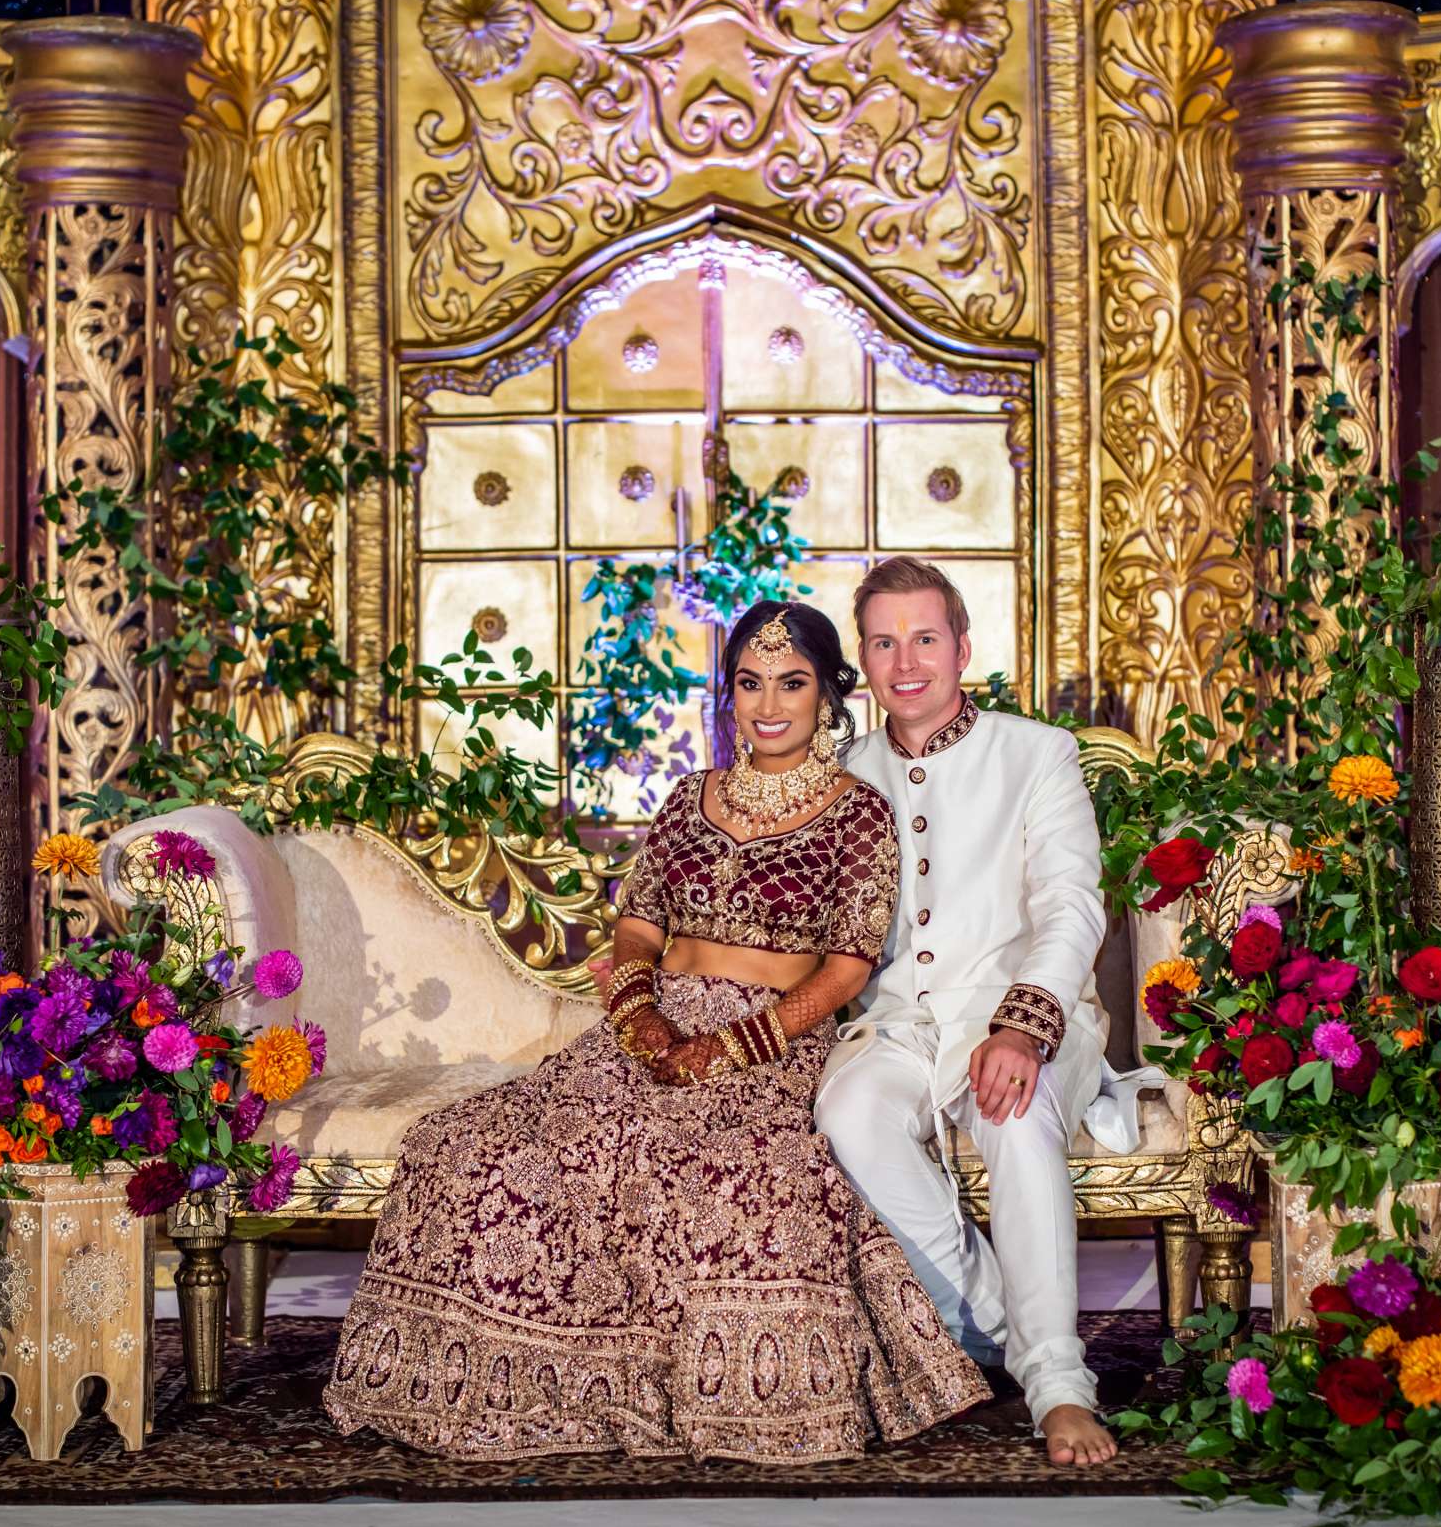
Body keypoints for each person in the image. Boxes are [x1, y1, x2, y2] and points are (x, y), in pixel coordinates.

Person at [322, 599, 989, 1463]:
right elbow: (637, 928)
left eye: (792, 683)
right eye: (749, 684)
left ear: (829, 696)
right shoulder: (688, 799)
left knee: (734, 1175)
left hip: (772, 1045)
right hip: (653, 1030)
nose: (769, 703)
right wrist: (640, 1014)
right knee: (464, 1142)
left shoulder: (856, 811)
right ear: (728, 696)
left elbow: (847, 969)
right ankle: (520, 1385)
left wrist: (732, 1044)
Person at [814, 556, 1121, 1468]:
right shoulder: (842, 772)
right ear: (862, 661)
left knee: (1015, 1116)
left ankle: (1058, 1383)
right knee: (846, 1113)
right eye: (883, 641)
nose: (905, 660)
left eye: (924, 638)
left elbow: (1073, 907)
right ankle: (994, 1320)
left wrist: (1023, 1027)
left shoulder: (1036, 753)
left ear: (962, 648)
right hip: (897, 1024)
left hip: (1017, 1012)